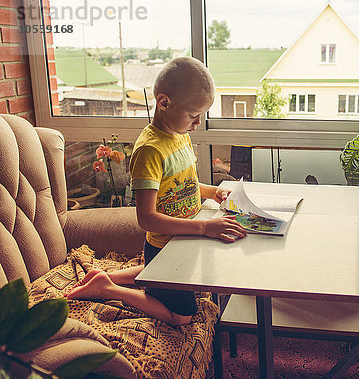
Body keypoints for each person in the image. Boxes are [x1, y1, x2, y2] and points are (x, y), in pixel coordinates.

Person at [66, 57, 247, 326]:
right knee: (182, 316)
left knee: (177, 271)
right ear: (164, 103)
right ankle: (108, 289)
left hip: (184, 239)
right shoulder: (150, 151)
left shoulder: (179, 133)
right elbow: (146, 218)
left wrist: (211, 192)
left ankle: (108, 277)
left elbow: (179, 185)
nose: (198, 122)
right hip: (163, 247)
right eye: (193, 114)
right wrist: (204, 229)